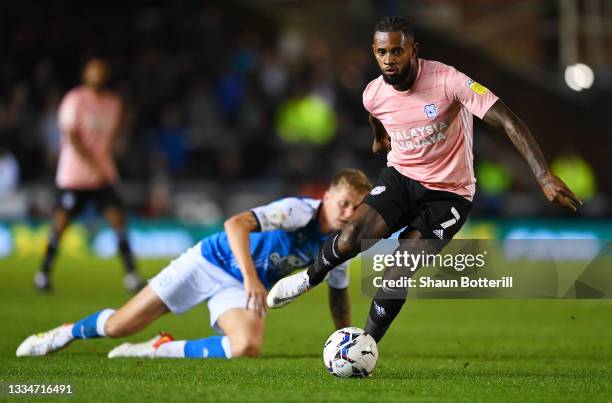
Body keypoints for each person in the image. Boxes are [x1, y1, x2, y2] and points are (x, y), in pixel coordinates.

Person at [267, 16, 582, 343]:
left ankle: (365, 345)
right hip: (402, 177)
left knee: (399, 267)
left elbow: (509, 121)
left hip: (449, 194)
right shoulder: (373, 92)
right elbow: (376, 112)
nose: (389, 60)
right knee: (349, 240)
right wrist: (379, 137)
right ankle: (307, 279)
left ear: (413, 49)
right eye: (381, 52)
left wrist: (543, 175)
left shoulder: (449, 81)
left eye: (397, 51)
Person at [16, 169, 372, 359]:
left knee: (246, 348)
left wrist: (346, 336)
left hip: (242, 286)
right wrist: (252, 279)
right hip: (209, 261)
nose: (347, 212)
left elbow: (337, 293)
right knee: (119, 327)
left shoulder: (340, 244)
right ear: (326, 196)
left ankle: (160, 349)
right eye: (342, 202)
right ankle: (64, 332)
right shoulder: (298, 210)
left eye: (356, 207)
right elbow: (235, 224)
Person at [35, 58, 144, 292]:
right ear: (86, 74)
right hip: (74, 175)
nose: (98, 75)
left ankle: (132, 275)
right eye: (94, 71)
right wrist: (93, 164)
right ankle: (43, 273)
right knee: (60, 225)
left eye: (102, 71)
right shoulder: (75, 99)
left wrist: (109, 155)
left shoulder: (113, 102)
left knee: (118, 222)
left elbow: (113, 134)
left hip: (104, 174)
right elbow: (72, 137)